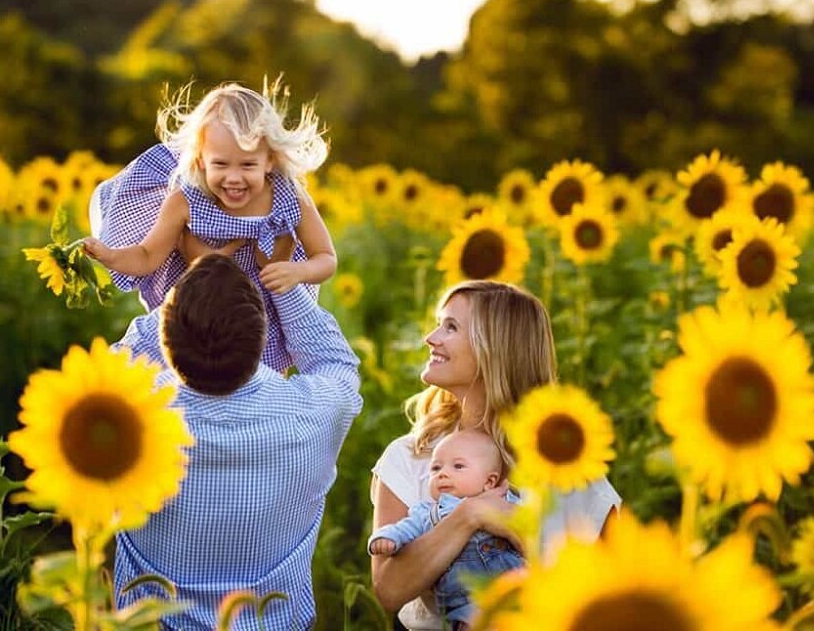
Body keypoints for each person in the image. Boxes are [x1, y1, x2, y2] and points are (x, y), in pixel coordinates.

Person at [113, 253, 362, 629]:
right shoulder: (311, 415)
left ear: (168, 337)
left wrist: (179, 295)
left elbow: (116, 364)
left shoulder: (126, 416)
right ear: (263, 336)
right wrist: (283, 282)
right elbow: (335, 363)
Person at [370, 280, 621, 630]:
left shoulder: (570, 468)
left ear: (496, 350)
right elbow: (388, 589)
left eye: (451, 327)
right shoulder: (411, 456)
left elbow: (613, 594)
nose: (431, 338)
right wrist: (470, 515)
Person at [85, 79, 336, 372]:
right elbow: (147, 255)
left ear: (269, 160)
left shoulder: (289, 197)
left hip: (264, 313)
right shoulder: (185, 201)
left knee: (259, 386)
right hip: (200, 303)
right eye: (220, 164)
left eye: (247, 165)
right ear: (201, 159)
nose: (233, 178)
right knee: (171, 373)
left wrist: (299, 271)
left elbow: (326, 258)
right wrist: (110, 255)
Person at [368, 430, 524, 629]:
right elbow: (404, 528)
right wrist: (387, 538)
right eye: (435, 468)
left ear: (489, 481)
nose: (443, 473)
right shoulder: (429, 512)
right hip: (466, 607)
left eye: (458, 466)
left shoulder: (507, 499)